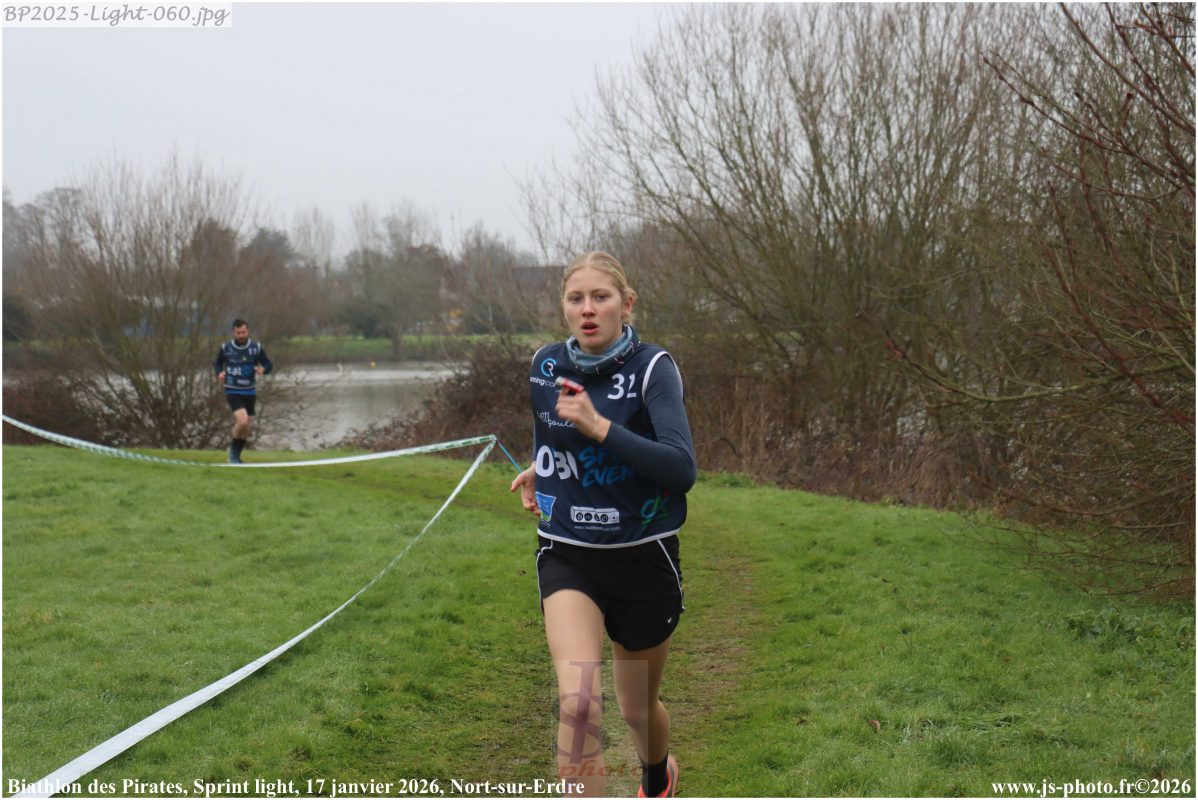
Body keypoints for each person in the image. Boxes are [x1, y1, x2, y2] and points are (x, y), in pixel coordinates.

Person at [510, 251, 696, 798]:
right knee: (579, 705)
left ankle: (657, 774)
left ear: (626, 304)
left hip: (643, 557)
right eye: (576, 299)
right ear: (564, 307)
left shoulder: (653, 369)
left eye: (600, 297)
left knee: (638, 710)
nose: (587, 309)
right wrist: (543, 469)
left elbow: (681, 469)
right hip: (569, 554)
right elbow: (552, 434)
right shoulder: (545, 366)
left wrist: (602, 429)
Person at [213, 318, 273, 464]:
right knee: (242, 420)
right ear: (233, 332)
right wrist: (219, 373)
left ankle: (236, 457)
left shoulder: (256, 347)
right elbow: (217, 363)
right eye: (238, 333)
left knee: (246, 428)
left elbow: (268, 365)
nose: (241, 335)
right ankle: (232, 451)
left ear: (248, 331)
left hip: (249, 391)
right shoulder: (226, 347)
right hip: (233, 390)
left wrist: (263, 370)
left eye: (244, 332)